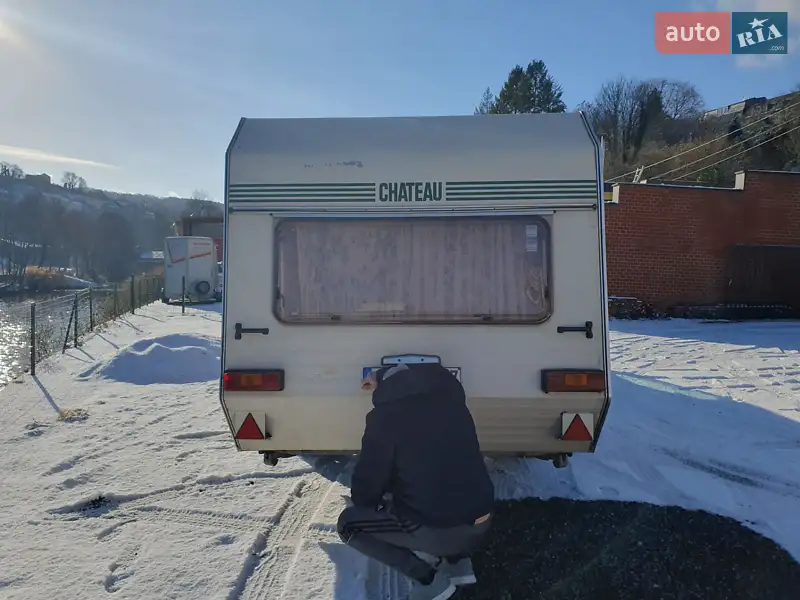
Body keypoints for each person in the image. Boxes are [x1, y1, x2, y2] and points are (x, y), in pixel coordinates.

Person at [337, 362, 495, 600]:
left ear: (384, 388)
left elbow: (369, 479)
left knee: (349, 525)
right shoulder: (454, 403)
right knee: (445, 477)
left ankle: (428, 580)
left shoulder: (384, 418)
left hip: (438, 531)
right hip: (481, 520)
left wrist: (367, 506)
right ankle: (459, 564)